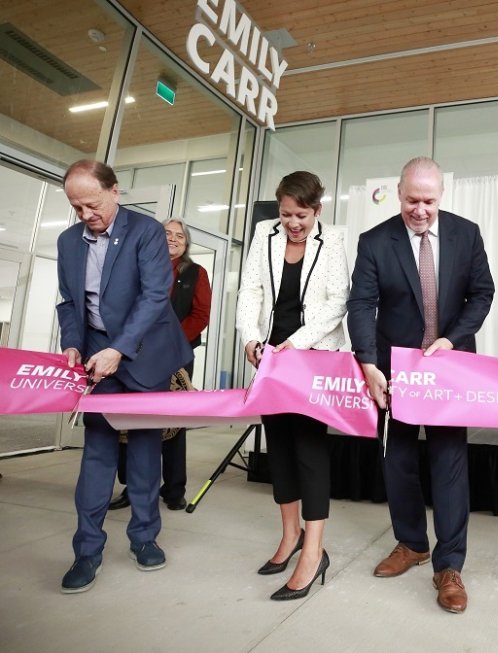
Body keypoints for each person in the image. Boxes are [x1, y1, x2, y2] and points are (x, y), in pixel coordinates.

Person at [347, 156, 494, 614]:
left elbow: (482, 292)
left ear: (441, 197)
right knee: (399, 461)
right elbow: (361, 304)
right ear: (399, 194)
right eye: (412, 200)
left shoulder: (465, 234)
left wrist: (453, 338)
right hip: (394, 372)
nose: (421, 210)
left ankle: (449, 565)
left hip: (448, 369)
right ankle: (411, 543)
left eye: (429, 201)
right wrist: (368, 363)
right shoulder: (375, 241)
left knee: (449, 464)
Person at [56, 160, 192, 593]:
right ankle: (87, 550)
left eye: (92, 204)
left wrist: (120, 348)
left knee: (145, 449)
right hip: (96, 354)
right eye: (76, 207)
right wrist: (74, 343)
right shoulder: (67, 241)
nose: (85, 215)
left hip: (144, 352)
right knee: (96, 448)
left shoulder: (146, 231)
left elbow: (155, 296)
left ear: (115, 192)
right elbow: (68, 302)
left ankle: (144, 537)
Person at [236, 171, 349, 601]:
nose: (293, 223)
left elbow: (338, 302)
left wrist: (293, 343)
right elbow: (250, 290)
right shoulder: (265, 233)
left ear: (317, 210)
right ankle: (290, 536)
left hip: (312, 355)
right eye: (286, 214)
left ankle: (314, 551)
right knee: (279, 446)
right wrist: (251, 336)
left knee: (308, 449)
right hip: (269, 357)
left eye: (301, 215)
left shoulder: (334, 240)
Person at [109, 217, 211, 511]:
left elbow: (201, 315)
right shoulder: (139, 267)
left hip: (176, 355)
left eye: (179, 235)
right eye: (166, 233)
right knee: (135, 422)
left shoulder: (195, 272)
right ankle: (133, 487)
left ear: (187, 242)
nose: (173, 238)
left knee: (173, 424)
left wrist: (170, 342)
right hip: (136, 354)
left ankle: (174, 488)